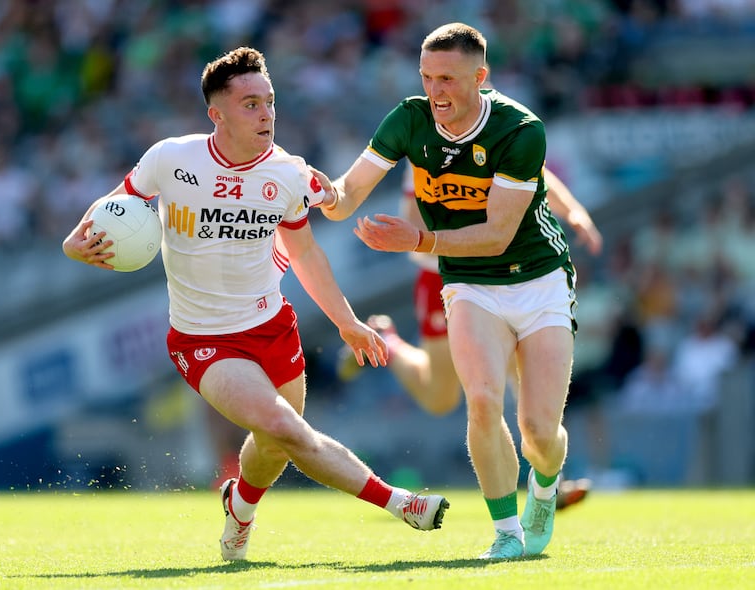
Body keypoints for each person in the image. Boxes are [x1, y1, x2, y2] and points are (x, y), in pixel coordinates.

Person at [62, 47, 448, 562]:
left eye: (269, 102)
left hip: (272, 327)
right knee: (287, 428)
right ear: (215, 114)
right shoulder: (171, 159)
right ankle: (401, 503)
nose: (266, 113)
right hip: (202, 340)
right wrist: (73, 243)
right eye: (250, 104)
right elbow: (112, 206)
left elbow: (305, 252)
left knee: (271, 445)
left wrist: (348, 322)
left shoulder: (288, 175)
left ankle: (239, 509)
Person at [315, 23, 577, 560]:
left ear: (480, 77)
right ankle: (507, 533)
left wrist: (417, 238)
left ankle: (545, 490)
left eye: (450, 79)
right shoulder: (409, 119)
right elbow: (347, 195)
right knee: (481, 402)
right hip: (469, 283)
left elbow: (498, 234)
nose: (437, 91)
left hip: (539, 279)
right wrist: (310, 190)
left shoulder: (519, 129)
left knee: (538, 433)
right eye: (428, 77)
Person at [337, 163, 601, 511]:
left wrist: (573, 211)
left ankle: (548, 481)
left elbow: (530, 172)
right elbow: (413, 222)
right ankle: (387, 340)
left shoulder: (492, 122)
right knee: (440, 396)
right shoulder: (426, 143)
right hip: (446, 278)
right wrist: (473, 245)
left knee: (526, 377)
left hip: (508, 277)